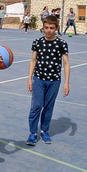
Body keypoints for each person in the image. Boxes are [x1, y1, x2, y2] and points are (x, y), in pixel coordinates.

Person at [26, 15, 70, 145]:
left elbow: (66, 63)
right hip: (39, 79)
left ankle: (44, 131)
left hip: (54, 81)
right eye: (46, 28)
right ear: (43, 28)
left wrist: (66, 82)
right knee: (36, 106)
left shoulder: (62, 44)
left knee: (48, 107)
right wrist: (29, 79)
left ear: (56, 28)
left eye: (51, 28)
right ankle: (33, 133)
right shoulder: (37, 42)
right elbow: (33, 60)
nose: (49, 30)